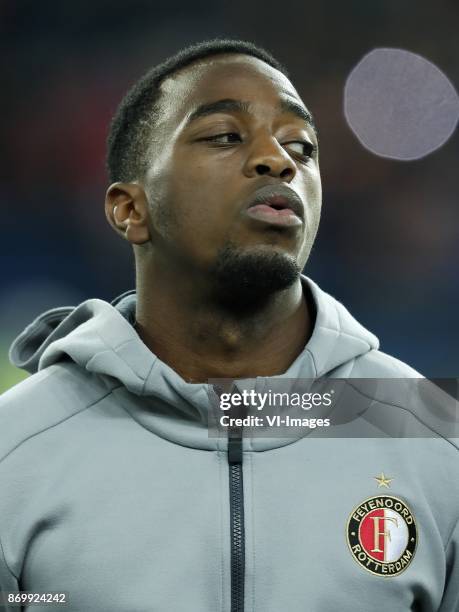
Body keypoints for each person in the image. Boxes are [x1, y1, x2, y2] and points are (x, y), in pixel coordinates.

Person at [0, 38, 458, 612]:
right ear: (129, 209)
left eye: (301, 146)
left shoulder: (433, 436)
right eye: (224, 136)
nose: (279, 160)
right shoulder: (14, 452)